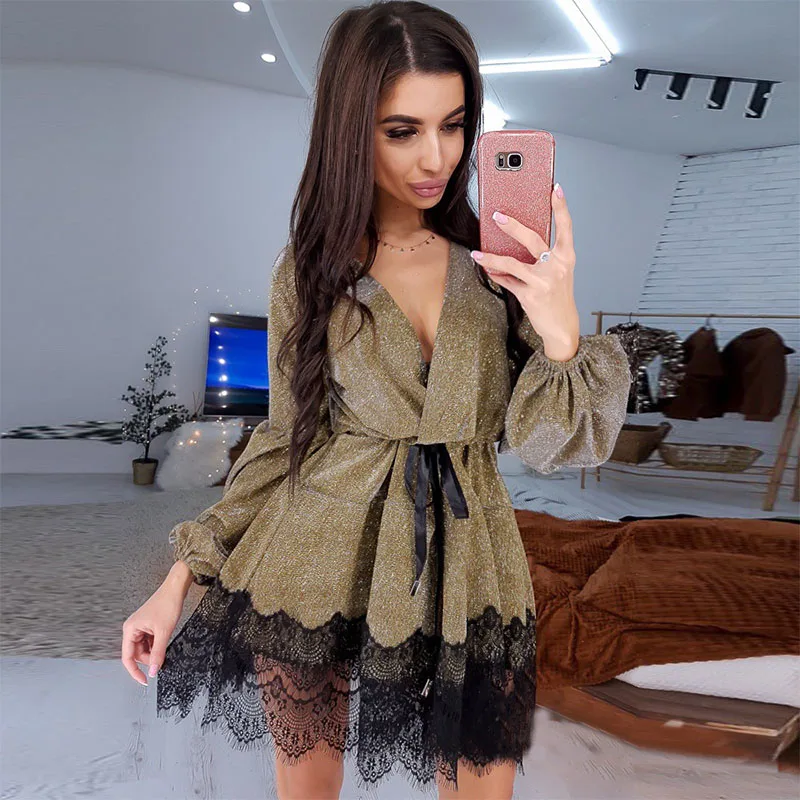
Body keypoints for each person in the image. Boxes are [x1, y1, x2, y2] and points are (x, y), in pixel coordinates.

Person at [121, 2, 632, 798]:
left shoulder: (502, 270)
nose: (436, 157)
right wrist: (176, 581)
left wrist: (561, 330)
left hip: (471, 565)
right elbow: (285, 442)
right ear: (351, 130)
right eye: (402, 131)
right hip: (319, 554)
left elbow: (552, 445)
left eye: (454, 125)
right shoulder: (310, 272)